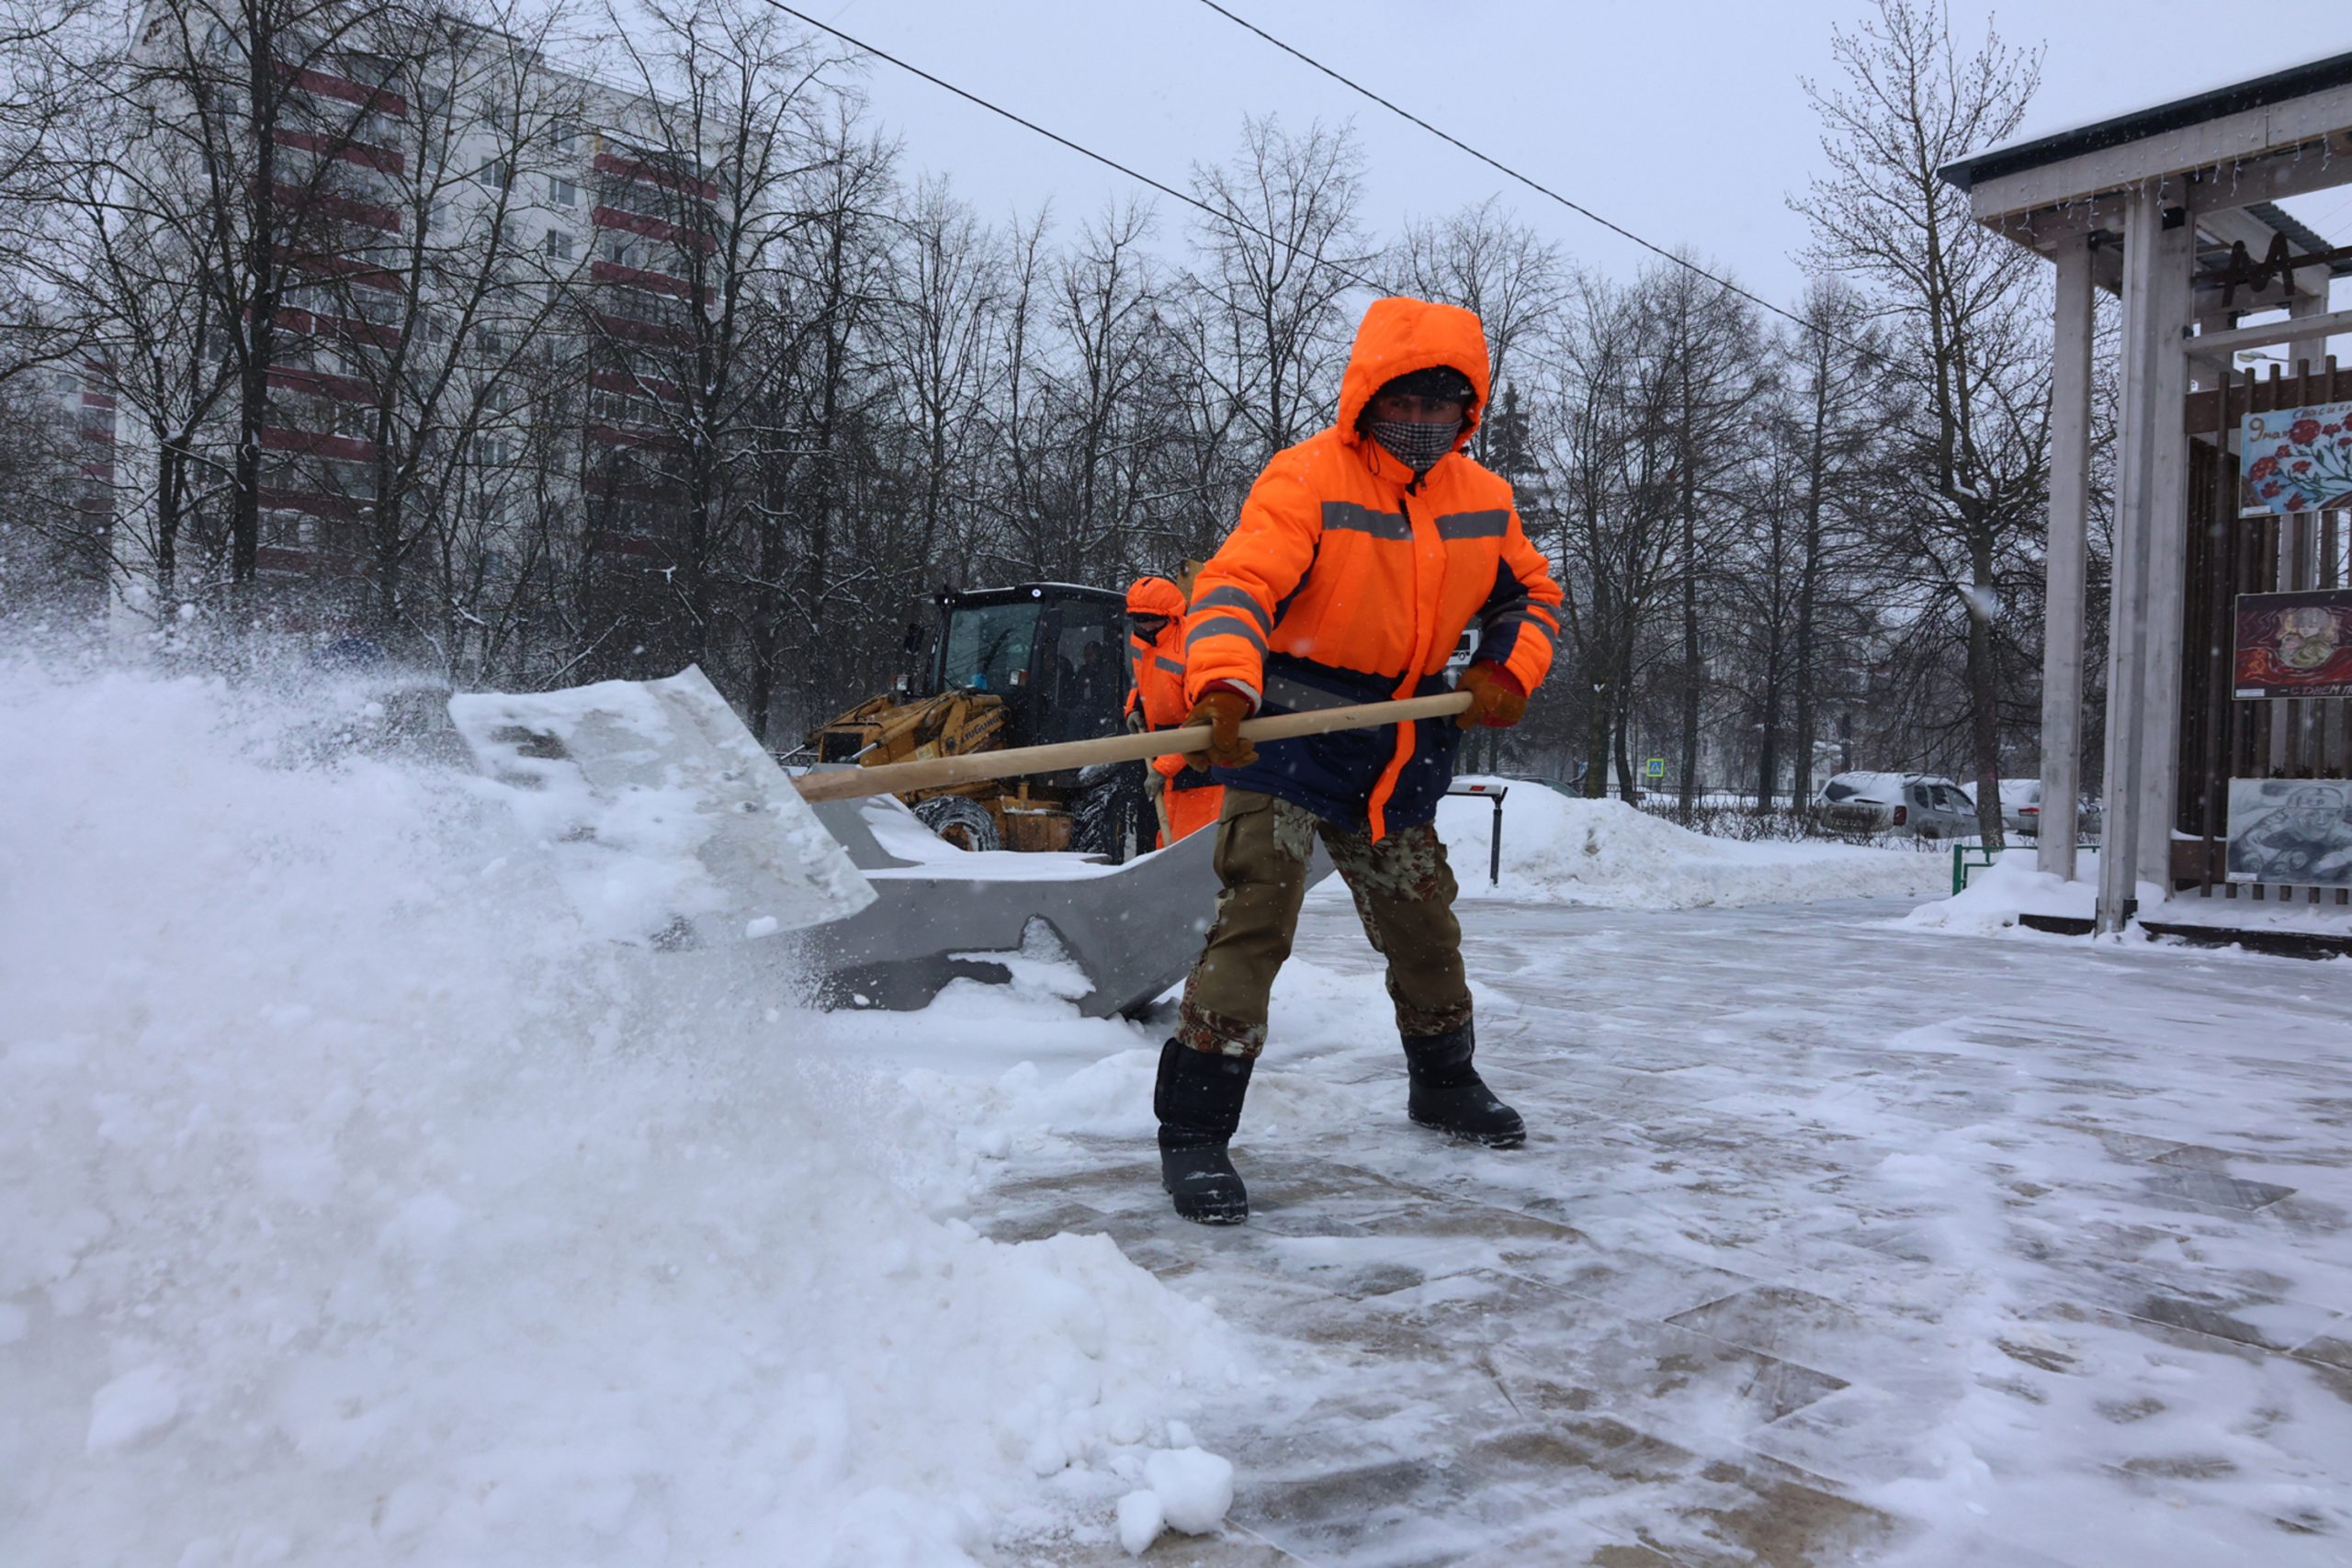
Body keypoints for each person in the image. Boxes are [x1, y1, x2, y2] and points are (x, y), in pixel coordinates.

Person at [1152, 295, 1564, 1224]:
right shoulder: (1307, 479)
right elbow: (1236, 585)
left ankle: (1444, 1084)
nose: (1422, 424)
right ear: (1367, 399)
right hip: (1290, 738)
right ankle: (1195, 1134)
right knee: (1254, 924)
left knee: (1424, 927)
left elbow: (1532, 594)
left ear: (1469, 410)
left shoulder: (1484, 499)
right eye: (1403, 404)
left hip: (1401, 745)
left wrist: (1507, 665)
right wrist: (1222, 684)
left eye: (1442, 407)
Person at [1124, 575, 1222, 847]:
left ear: (1172, 616)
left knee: (1190, 847)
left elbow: (1203, 721)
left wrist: (1164, 767)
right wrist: (1134, 707)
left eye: (1150, 618)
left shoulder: (1195, 647)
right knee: (1166, 845)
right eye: (1137, 618)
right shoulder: (1142, 641)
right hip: (1166, 751)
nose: (1143, 624)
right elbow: (1142, 679)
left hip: (1200, 761)